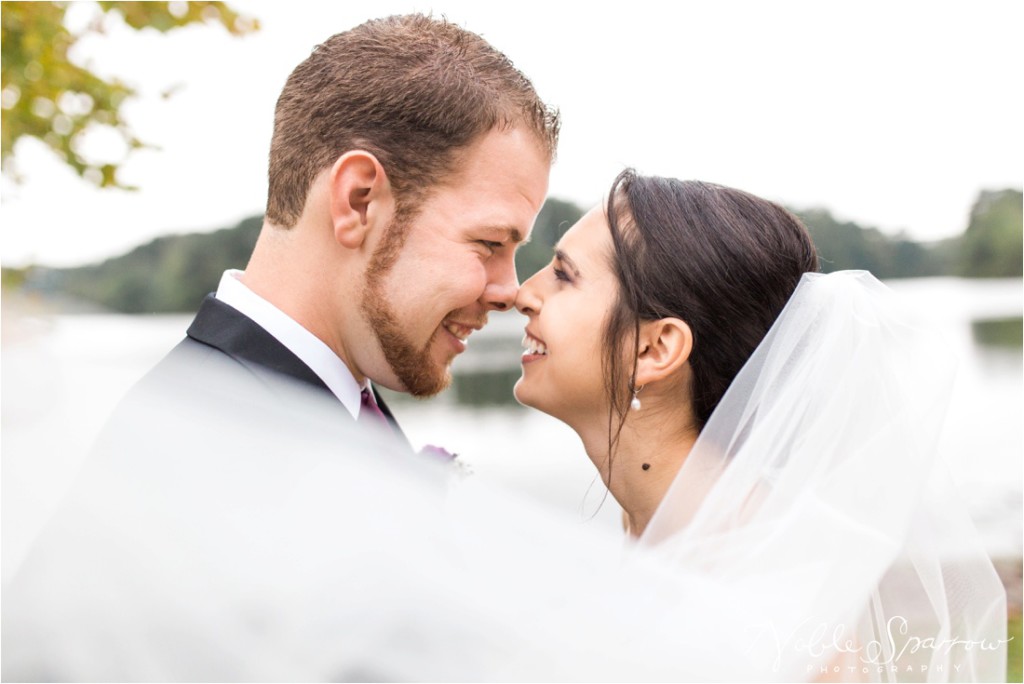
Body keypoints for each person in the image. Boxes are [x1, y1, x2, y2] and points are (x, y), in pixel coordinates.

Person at [513, 169, 1009, 681]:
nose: (519, 293)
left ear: (654, 348)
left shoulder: (764, 580)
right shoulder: (655, 518)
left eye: (563, 275)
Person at [123, 13, 557, 448]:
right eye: (490, 243)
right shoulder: (204, 446)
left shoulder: (293, 412)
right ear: (358, 201)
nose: (510, 292)